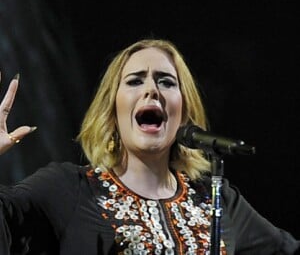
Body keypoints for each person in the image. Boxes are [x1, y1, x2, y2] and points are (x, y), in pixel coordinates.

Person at [0, 39, 299, 255]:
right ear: (112, 110)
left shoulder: (217, 200)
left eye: (167, 82)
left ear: (183, 110)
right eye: (134, 81)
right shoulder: (67, 189)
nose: (151, 90)